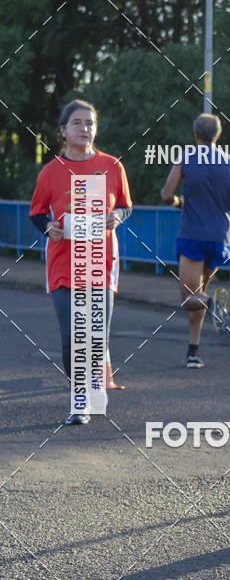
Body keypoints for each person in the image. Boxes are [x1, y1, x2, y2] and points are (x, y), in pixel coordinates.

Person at [29, 99, 132, 425]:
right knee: (71, 336)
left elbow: (127, 206)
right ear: (63, 130)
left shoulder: (113, 166)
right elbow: (36, 212)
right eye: (77, 123)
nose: (85, 128)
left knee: (96, 333)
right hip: (63, 261)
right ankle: (80, 397)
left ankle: (89, 392)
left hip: (101, 261)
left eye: (90, 122)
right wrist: (49, 227)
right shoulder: (51, 171)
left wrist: (116, 215)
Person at [160, 113, 230, 368]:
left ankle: (213, 304)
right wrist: (225, 201)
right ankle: (193, 351)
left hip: (192, 236)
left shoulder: (185, 159)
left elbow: (166, 194)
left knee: (190, 298)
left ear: (196, 135)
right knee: (197, 293)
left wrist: (179, 202)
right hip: (219, 237)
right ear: (218, 136)